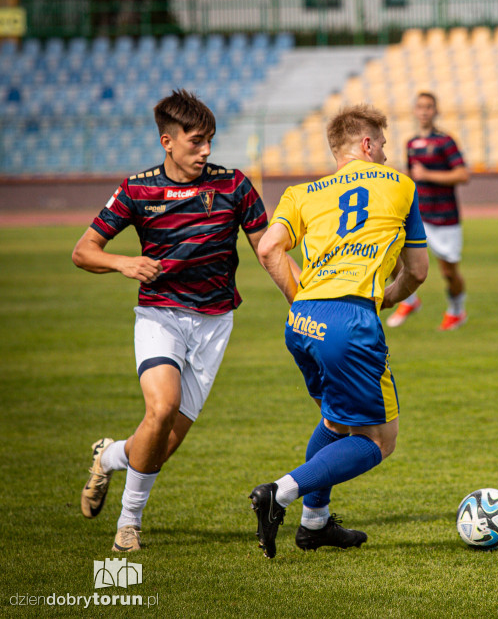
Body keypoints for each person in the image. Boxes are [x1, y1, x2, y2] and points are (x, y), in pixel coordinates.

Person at [72, 89, 268, 552]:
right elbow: (83, 252)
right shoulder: (137, 189)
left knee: (160, 444)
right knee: (159, 409)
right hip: (160, 314)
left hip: (215, 322)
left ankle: (110, 455)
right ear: (167, 141)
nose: (206, 150)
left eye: (210, 141)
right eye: (197, 141)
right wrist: (124, 263)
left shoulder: (234, 185)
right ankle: (128, 525)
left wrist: (302, 296)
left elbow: (267, 248)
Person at [250, 103, 428, 559]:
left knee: (334, 421)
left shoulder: (301, 193)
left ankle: (315, 525)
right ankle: (280, 492)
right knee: (377, 441)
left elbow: (269, 247)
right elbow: (419, 272)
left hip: (303, 321)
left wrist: (303, 301)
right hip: (351, 321)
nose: (386, 155)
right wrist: (388, 296)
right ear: (367, 145)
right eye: (383, 145)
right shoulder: (402, 187)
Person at [386, 91, 470, 331]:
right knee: (391, 254)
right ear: (415, 111)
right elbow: (413, 176)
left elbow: (463, 174)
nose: (424, 111)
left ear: (435, 111)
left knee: (449, 272)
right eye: (420, 107)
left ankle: (456, 310)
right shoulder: (411, 144)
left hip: (444, 217)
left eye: (429, 107)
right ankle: (409, 301)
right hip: (419, 215)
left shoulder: (445, 142)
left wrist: (428, 175)